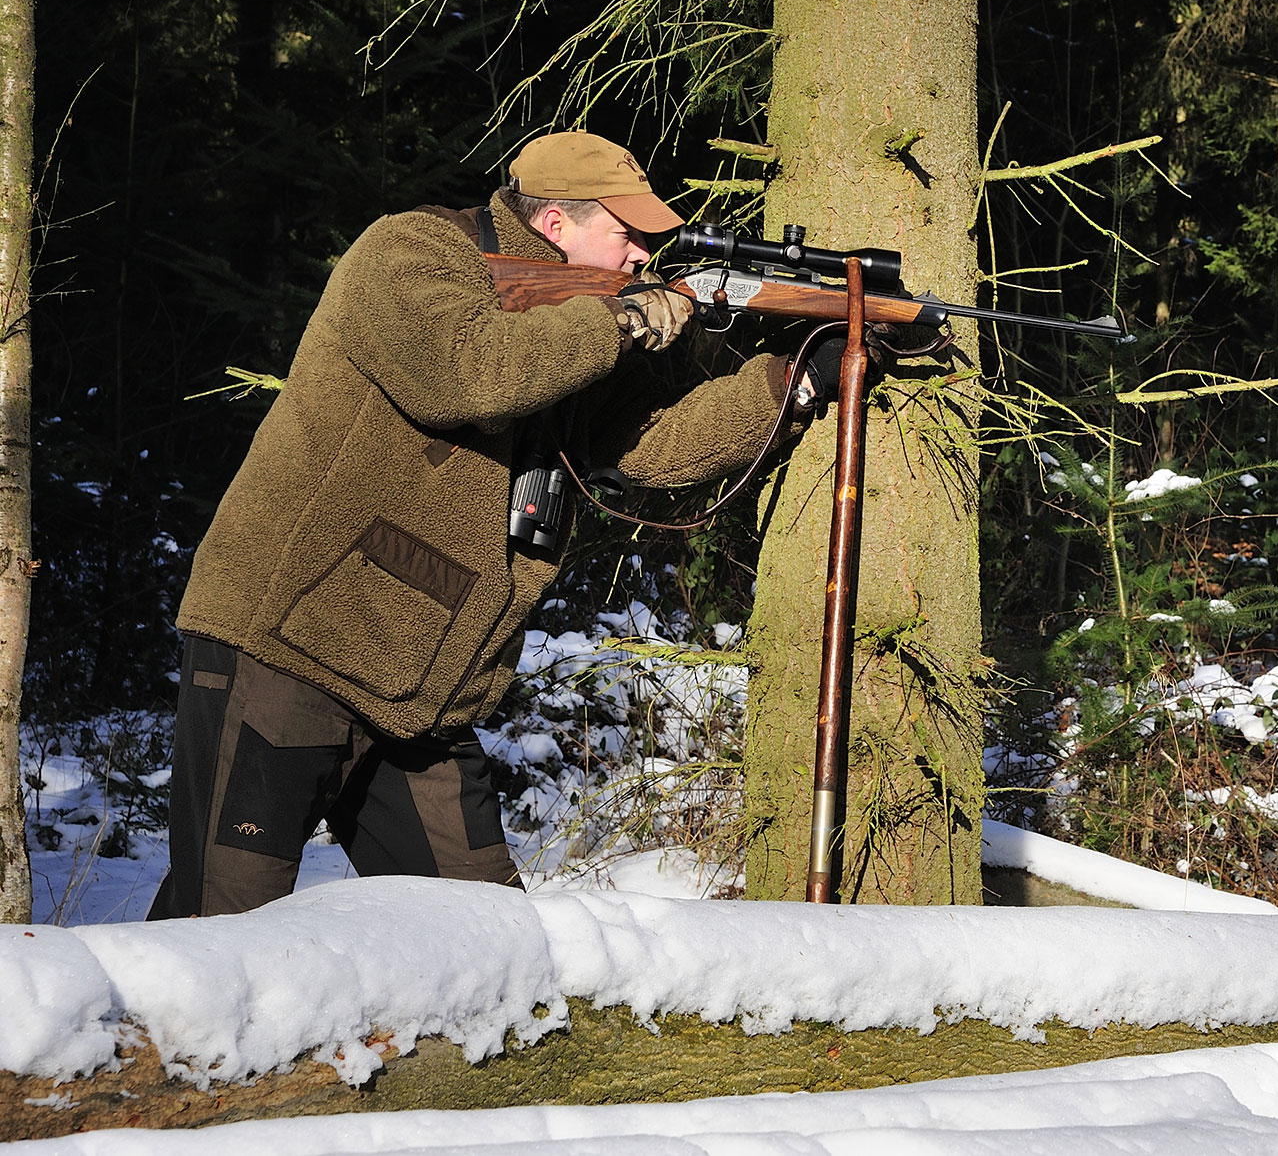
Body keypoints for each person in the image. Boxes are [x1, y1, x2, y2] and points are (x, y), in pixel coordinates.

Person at [148, 132, 802, 918]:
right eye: (627, 233)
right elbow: (471, 372)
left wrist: (790, 386)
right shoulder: (413, 252)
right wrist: (623, 324)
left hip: (424, 692)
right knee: (216, 935)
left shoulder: (578, 325)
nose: (641, 255)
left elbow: (649, 444)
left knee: (492, 946)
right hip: (286, 649)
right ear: (556, 223)